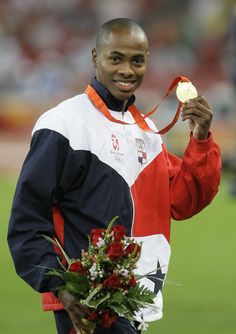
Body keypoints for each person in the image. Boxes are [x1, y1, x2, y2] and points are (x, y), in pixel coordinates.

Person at [8, 18, 221, 334]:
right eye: (116, 58)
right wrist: (60, 286)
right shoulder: (63, 125)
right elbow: (27, 221)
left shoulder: (146, 130)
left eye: (137, 60)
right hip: (89, 302)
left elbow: (183, 201)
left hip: (137, 300)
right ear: (95, 57)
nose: (127, 70)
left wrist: (201, 139)